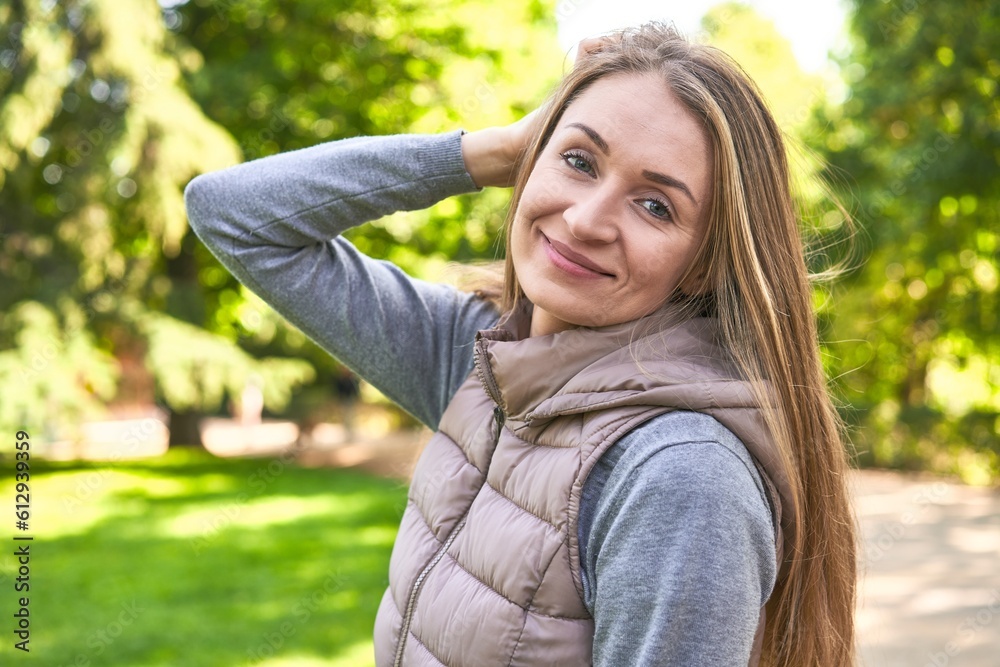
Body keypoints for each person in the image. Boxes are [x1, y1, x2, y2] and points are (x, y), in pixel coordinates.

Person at [185, 22, 856, 666]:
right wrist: (493, 151)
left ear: (706, 262)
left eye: (656, 205)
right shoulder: (482, 361)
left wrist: (546, 156)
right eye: (578, 160)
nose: (587, 218)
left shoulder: (681, 479)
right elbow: (234, 215)